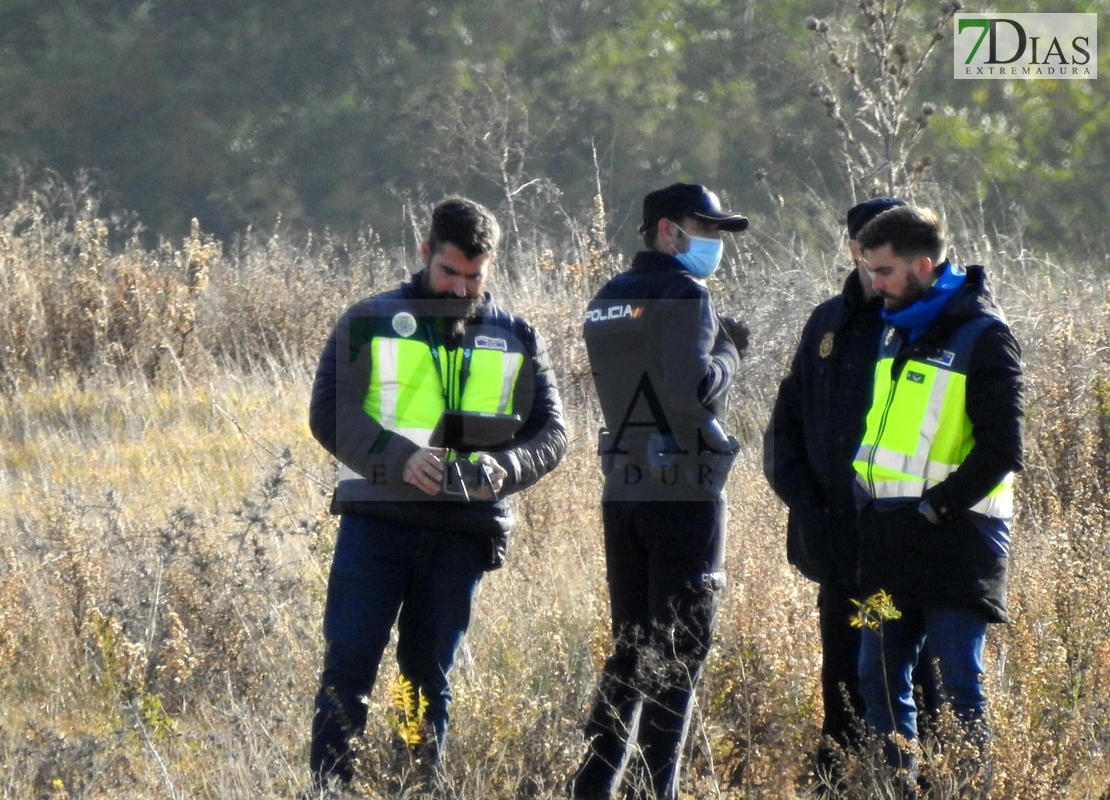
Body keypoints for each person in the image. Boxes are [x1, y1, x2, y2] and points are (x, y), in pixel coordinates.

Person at [307, 197, 567, 793]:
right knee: (348, 669)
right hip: (378, 525)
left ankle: (417, 788)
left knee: (426, 679)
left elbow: (553, 432)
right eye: (449, 272)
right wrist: (399, 459)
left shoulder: (517, 335)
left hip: (462, 535)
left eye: (474, 277)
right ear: (425, 253)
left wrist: (510, 464)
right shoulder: (369, 319)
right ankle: (329, 789)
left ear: (491, 266)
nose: (459, 288)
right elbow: (328, 413)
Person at [572, 183, 750, 800]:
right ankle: (655, 792)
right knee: (678, 658)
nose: (716, 243)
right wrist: (730, 352)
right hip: (684, 496)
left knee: (629, 651)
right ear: (668, 231)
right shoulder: (686, 293)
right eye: (706, 229)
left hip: (624, 491)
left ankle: (593, 787)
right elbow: (690, 388)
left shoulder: (606, 300)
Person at [851, 205, 1024, 793]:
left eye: (884, 271)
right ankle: (897, 789)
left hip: (956, 542)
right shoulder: (894, 328)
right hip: (883, 540)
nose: (873, 285)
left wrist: (938, 506)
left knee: (957, 685)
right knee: (874, 675)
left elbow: (1003, 449)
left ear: (923, 266)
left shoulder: (985, 334)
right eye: (871, 272)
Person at [763, 198, 913, 787]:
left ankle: (900, 776)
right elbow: (788, 423)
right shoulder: (827, 322)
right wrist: (811, 505)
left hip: (903, 541)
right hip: (836, 542)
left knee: (900, 670)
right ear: (854, 249)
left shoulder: (925, 323)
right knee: (845, 670)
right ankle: (837, 774)